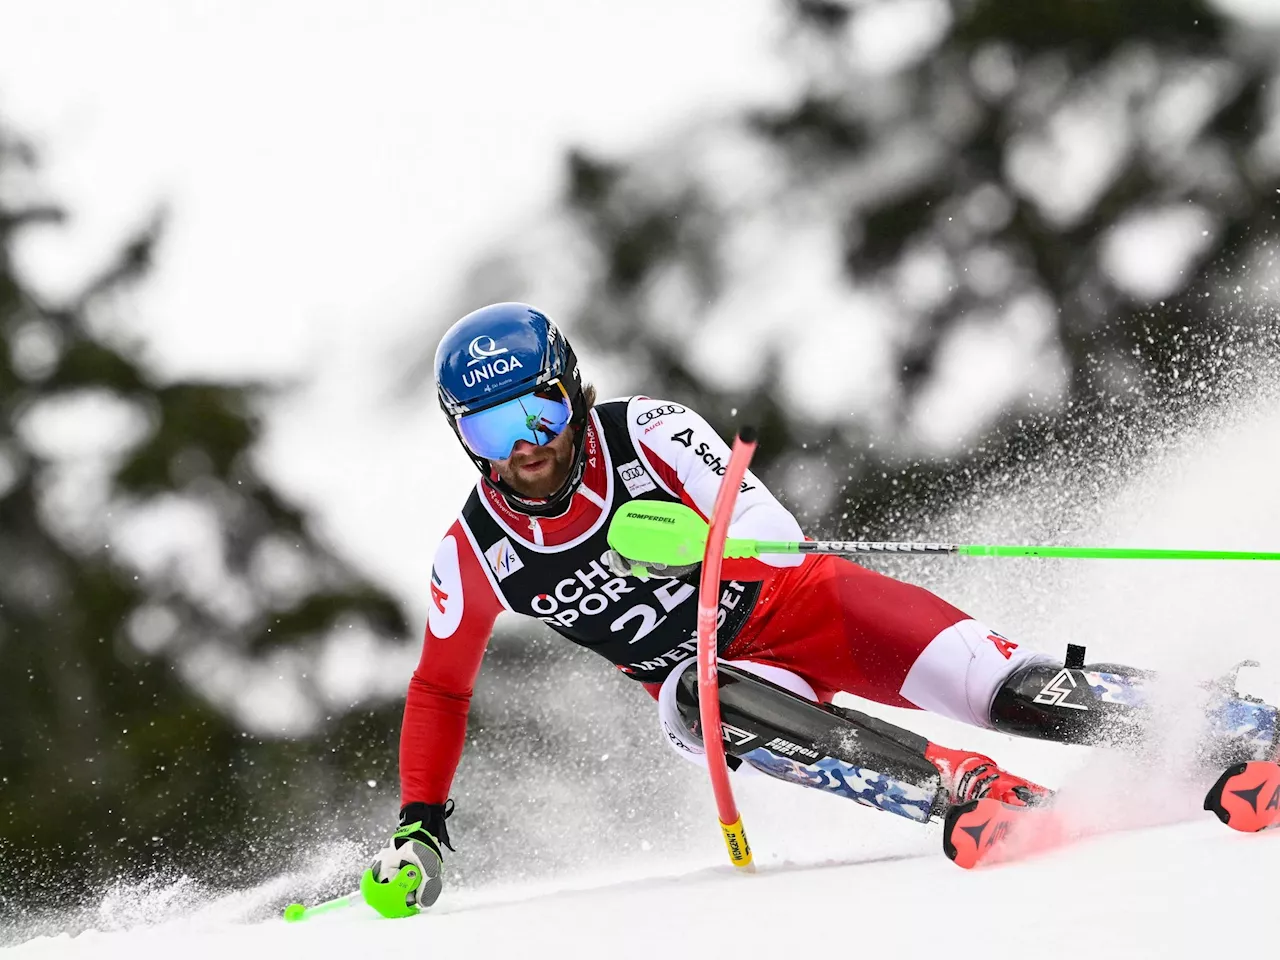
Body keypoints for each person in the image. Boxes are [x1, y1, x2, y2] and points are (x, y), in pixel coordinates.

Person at [364, 302, 1279, 911]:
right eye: (492, 428)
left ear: (573, 392)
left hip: (808, 607)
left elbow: (772, 526)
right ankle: (960, 790)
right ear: (462, 437)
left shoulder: (645, 432)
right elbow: (440, 689)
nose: (527, 447)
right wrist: (419, 828)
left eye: (542, 412)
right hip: (735, 683)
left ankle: (1230, 727)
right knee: (691, 701)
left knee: (1005, 685)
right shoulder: (475, 554)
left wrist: (710, 541)